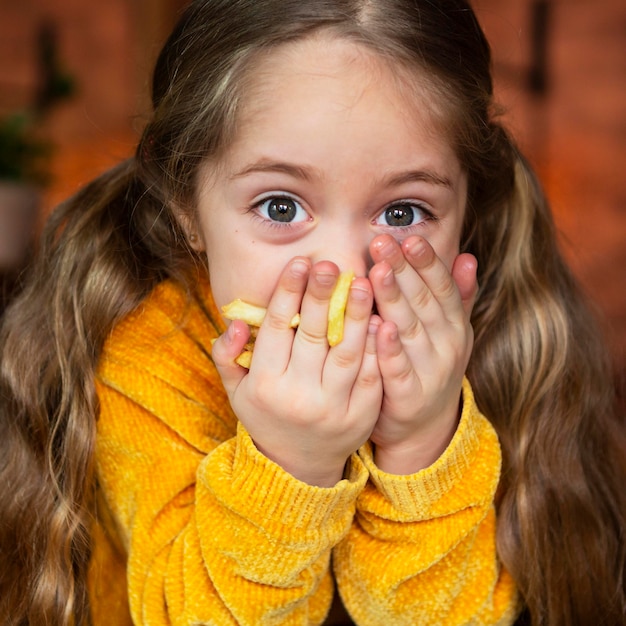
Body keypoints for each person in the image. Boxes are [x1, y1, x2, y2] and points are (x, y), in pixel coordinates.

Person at [0, 0, 624, 624]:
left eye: (402, 213)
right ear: (187, 206)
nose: (345, 272)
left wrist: (421, 446)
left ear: (465, 216)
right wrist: (290, 466)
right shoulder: (147, 361)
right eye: (279, 207)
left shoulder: (488, 347)